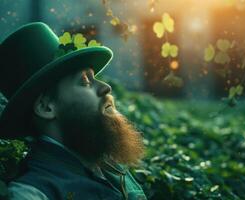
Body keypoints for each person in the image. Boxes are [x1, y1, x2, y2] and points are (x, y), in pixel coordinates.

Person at [0, 22, 146, 200]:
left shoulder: (107, 166)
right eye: (85, 81)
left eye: (95, 78)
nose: (106, 87)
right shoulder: (34, 193)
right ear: (46, 107)